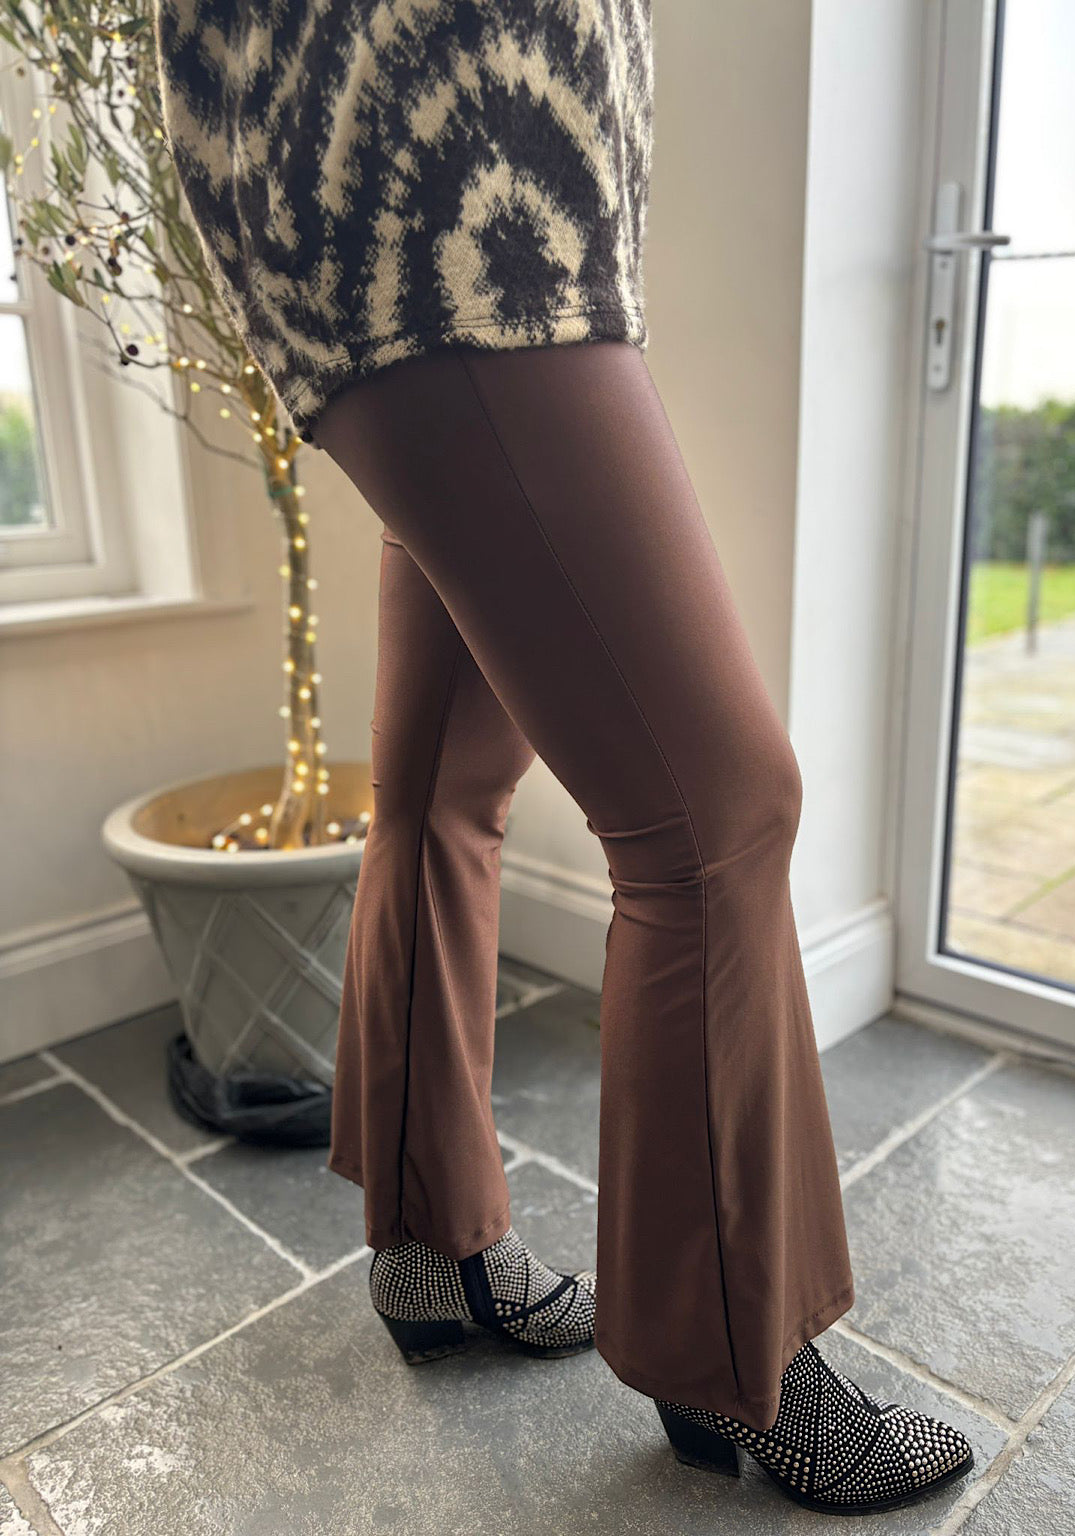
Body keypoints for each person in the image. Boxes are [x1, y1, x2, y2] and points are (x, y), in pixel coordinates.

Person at [153, 0, 973, 1513]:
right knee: (719, 814)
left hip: (387, 204)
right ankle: (739, 1368)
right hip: (465, 190)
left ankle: (433, 1251)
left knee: (439, 794)